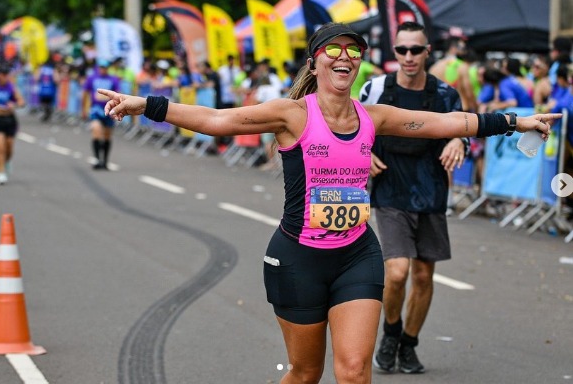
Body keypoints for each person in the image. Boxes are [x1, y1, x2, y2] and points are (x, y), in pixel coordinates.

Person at [98, 22, 558, 384]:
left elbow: (446, 122)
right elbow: (217, 120)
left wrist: (515, 122)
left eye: (352, 52)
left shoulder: (373, 117)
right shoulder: (291, 114)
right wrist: (145, 105)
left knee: (355, 371)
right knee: (304, 373)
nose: (344, 58)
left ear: (358, 65)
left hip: (356, 254)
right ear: (316, 62)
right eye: (333, 51)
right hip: (298, 258)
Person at [359, 21, 468, 374]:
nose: (408, 57)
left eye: (415, 50)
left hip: (431, 190)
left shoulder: (444, 93)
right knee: (397, 272)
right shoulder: (375, 89)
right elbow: (351, 127)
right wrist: (364, 153)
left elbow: (466, 126)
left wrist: (457, 140)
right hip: (390, 190)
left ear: (427, 52)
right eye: (401, 50)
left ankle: (408, 343)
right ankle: (390, 333)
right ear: (394, 52)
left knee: (423, 276)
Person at [0, 62, 25, 185]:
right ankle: (1, 173)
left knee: (9, 148)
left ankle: (7, 162)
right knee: (0, 147)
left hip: (9, 120)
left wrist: (14, 105)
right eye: (2, 74)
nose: (4, 76)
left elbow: (21, 101)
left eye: (6, 74)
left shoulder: (11, 86)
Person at [81, 60, 121, 170]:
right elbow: (85, 93)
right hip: (96, 110)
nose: (103, 69)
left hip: (109, 111)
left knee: (107, 136)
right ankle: (98, 159)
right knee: (96, 131)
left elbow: (118, 94)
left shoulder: (113, 79)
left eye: (105, 67)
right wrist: (83, 109)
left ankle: (105, 161)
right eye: (101, 67)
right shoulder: (92, 78)